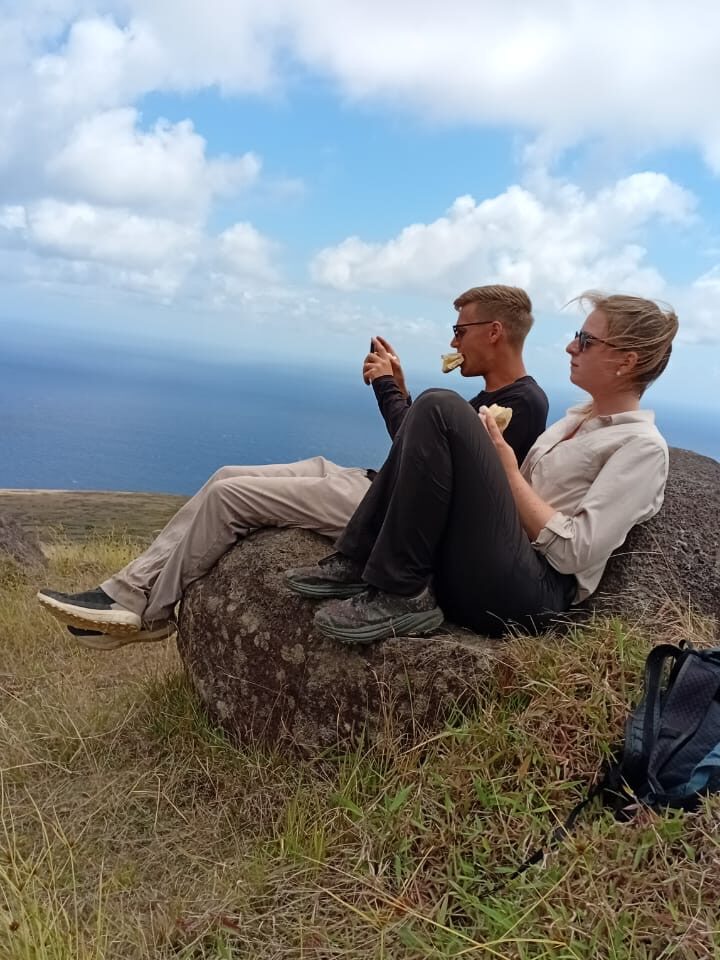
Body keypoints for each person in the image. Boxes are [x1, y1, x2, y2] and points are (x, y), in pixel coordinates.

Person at [36, 285, 548, 650]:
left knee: (230, 500)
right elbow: (422, 454)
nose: (454, 343)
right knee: (225, 475)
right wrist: (401, 390)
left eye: (460, 330)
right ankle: (122, 591)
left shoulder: (523, 403)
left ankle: (149, 614)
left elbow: (439, 486)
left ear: (494, 332)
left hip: (391, 508)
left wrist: (387, 391)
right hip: (373, 484)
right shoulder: (489, 398)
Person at [285, 292, 678, 642]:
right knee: (432, 408)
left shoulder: (642, 448)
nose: (571, 347)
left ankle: (402, 592)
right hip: (498, 563)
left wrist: (506, 470)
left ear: (627, 361)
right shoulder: (574, 422)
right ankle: (361, 562)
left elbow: (575, 552)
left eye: (586, 340)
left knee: (440, 405)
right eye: (578, 335)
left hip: (530, 595)